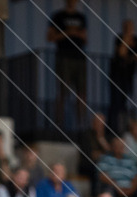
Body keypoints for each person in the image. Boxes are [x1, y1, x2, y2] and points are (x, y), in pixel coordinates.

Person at [48, 0, 88, 128]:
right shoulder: (58, 16)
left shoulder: (81, 17)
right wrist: (67, 33)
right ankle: (58, 123)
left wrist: (76, 33)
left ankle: (81, 124)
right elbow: (50, 37)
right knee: (63, 92)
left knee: (81, 92)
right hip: (64, 57)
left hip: (79, 57)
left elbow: (85, 37)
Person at [107, 20, 137, 132]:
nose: (129, 30)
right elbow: (121, 53)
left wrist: (131, 58)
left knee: (124, 103)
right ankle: (112, 127)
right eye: (126, 27)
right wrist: (126, 40)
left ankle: (121, 127)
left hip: (128, 76)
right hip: (116, 75)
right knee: (115, 102)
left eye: (130, 27)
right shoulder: (119, 38)